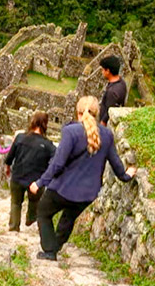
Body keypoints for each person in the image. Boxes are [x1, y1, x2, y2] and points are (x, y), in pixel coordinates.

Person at [29, 96, 137, 260]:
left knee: (43, 212)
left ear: (78, 112)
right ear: (97, 113)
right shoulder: (107, 135)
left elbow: (58, 163)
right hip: (88, 194)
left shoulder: (70, 131)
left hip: (63, 188)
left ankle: (49, 250)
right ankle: (54, 248)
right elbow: (116, 164)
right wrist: (126, 175)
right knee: (68, 218)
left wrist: (40, 182)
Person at [4, 112, 56, 232]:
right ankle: (31, 219)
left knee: (16, 202)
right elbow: (56, 160)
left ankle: (14, 227)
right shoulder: (48, 145)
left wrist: (7, 167)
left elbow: (10, 156)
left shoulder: (20, 137)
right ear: (45, 125)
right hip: (36, 180)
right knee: (35, 201)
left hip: (18, 175)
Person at [98, 55, 127, 126]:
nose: (102, 72)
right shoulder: (122, 82)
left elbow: (108, 113)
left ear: (108, 71)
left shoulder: (112, 92)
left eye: (102, 69)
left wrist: (102, 125)